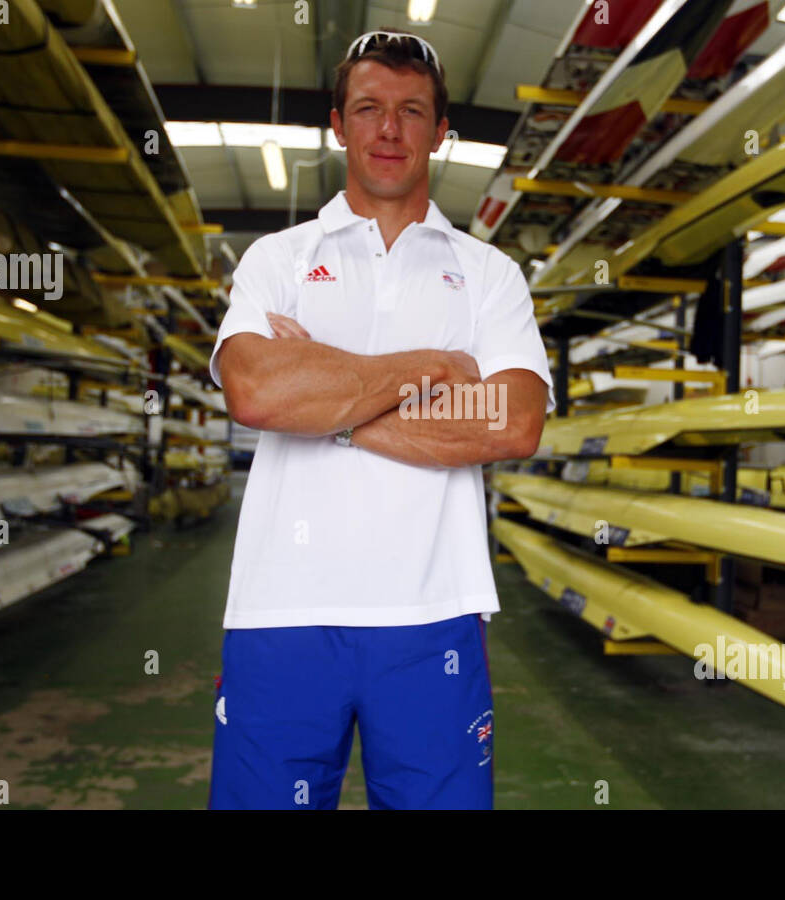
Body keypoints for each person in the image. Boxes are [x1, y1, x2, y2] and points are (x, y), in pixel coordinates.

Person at [207, 29, 555, 810]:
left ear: (440, 132)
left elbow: (511, 424)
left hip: (432, 616)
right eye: (368, 108)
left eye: (410, 111)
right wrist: (429, 370)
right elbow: (257, 396)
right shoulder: (278, 258)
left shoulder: (488, 275)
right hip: (281, 609)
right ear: (338, 124)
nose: (389, 130)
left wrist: (327, 400)